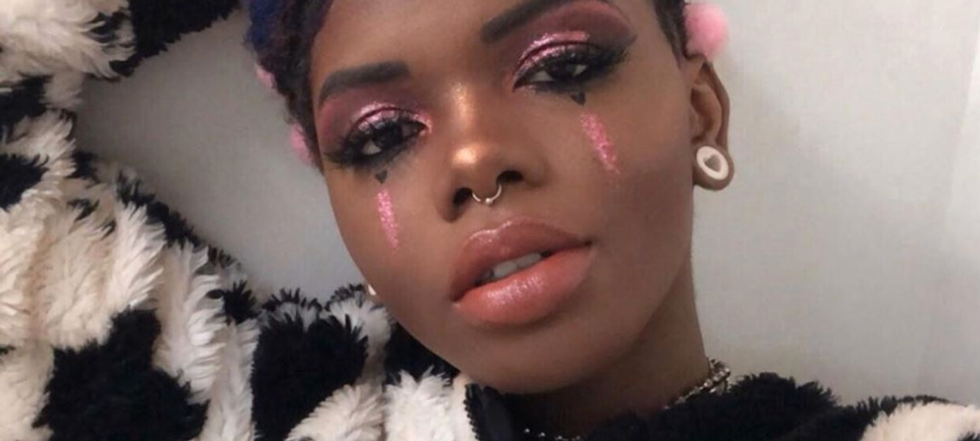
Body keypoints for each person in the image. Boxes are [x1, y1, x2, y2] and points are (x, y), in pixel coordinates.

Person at [0, 0, 977, 440]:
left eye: (559, 67)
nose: (475, 159)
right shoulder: (249, 406)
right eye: (380, 135)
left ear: (700, 110)